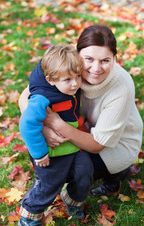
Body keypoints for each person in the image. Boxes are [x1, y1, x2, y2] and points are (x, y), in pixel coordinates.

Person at [19, 24, 143, 199]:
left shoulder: (121, 86)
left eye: (105, 60)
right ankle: (42, 181)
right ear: (78, 55)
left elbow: (98, 144)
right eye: (89, 59)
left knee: (71, 166)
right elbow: (25, 97)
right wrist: (45, 130)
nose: (96, 68)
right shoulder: (68, 65)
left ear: (114, 58)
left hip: (113, 146)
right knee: (37, 138)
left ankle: (116, 174)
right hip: (80, 127)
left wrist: (55, 123)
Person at [18, 44, 94, 226]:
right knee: (49, 186)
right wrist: (40, 154)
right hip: (53, 153)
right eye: (67, 79)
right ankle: (29, 215)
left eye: (77, 76)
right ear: (50, 80)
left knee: (85, 173)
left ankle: (72, 200)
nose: (75, 83)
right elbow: (27, 124)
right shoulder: (42, 98)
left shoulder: (69, 89)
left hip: (74, 147)